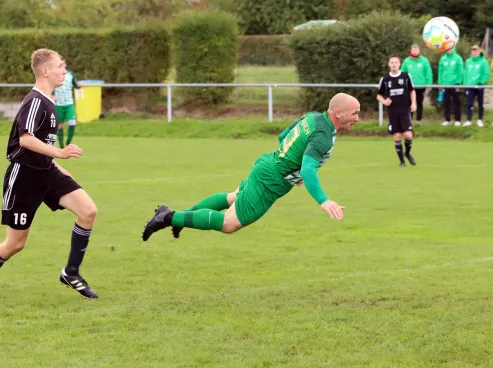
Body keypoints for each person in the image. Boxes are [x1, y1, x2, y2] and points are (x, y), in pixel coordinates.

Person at [142, 93, 360, 241]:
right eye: (354, 113)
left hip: (267, 163)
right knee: (229, 224)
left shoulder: (313, 117)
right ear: (337, 113)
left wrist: (292, 165)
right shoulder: (323, 135)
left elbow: (284, 136)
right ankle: (168, 216)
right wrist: (323, 200)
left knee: (232, 198)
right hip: (270, 181)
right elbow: (308, 168)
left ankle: (184, 217)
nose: (357, 118)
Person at [0, 49, 98, 299]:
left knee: (88, 211)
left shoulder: (51, 101)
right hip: (24, 177)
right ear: (45, 71)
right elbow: (25, 140)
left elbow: (41, 145)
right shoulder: (35, 101)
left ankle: (71, 273)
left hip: (47, 172)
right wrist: (60, 153)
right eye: (61, 66)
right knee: (15, 245)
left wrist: (57, 165)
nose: (65, 71)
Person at [376, 55, 417, 167]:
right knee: (398, 136)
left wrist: (413, 103)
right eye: (392, 62)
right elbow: (379, 95)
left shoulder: (406, 76)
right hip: (393, 112)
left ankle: (407, 154)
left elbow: (412, 91)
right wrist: (384, 102)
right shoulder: (385, 79)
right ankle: (402, 162)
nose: (394, 64)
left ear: (399, 64)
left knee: (408, 135)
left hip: (405, 110)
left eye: (396, 62)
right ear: (389, 64)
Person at [53, 58, 81, 148]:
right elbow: (47, 86)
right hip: (58, 105)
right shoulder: (53, 75)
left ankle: (68, 143)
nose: (62, 66)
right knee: (59, 126)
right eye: (60, 64)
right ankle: (61, 147)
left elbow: (76, 86)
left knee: (72, 123)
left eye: (63, 64)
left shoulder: (70, 75)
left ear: (65, 65)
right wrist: (51, 96)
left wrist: (79, 85)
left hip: (69, 104)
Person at [401, 44, 432, 122]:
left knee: (419, 103)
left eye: (416, 50)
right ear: (411, 51)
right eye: (413, 50)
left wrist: (429, 84)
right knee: (409, 103)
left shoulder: (424, 60)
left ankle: (419, 119)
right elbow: (402, 73)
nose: (415, 52)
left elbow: (428, 73)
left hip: (421, 86)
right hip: (409, 87)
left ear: (419, 51)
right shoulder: (407, 61)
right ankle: (409, 119)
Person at [462, 45, 491, 127]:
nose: (474, 52)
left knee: (480, 103)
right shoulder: (468, 61)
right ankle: (469, 120)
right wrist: (465, 83)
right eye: (473, 51)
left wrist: (481, 82)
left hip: (479, 86)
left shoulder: (483, 61)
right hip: (469, 86)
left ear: (479, 52)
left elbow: (486, 74)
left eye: (476, 51)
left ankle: (480, 119)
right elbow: (465, 73)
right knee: (469, 104)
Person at [437, 46, 464, 126]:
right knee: (446, 102)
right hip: (445, 84)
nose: (449, 49)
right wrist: (440, 83)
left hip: (455, 83)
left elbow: (460, 71)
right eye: (447, 48)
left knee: (456, 102)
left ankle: (457, 120)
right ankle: (447, 120)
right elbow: (440, 72)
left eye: (450, 48)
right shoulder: (443, 59)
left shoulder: (458, 58)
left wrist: (459, 82)